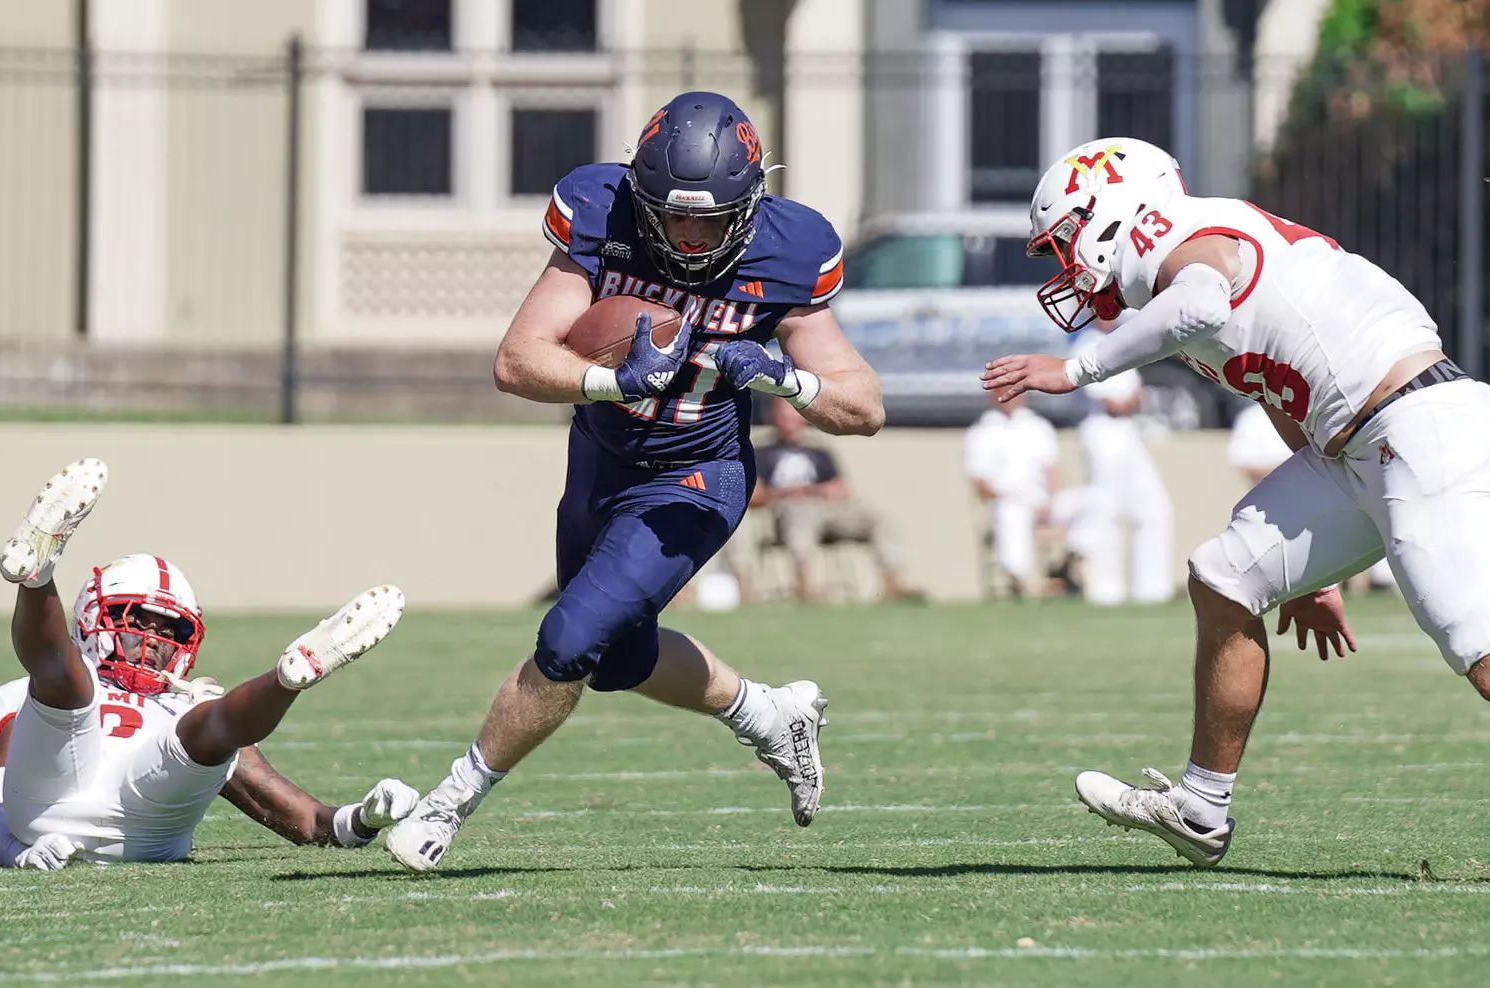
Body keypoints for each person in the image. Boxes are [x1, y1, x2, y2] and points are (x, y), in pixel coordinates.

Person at [983, 136, 1490, 867]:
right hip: (1360, 447)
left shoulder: (1184, 247)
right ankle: (1199, 807)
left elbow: (1202, 299)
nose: (1064, 267)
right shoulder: (1171, 286)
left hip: (1414, 428)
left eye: (1064, 243)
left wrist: (1076, 369)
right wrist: (1315, 572)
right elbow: (1287, 408)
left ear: (1111, 214)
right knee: (1224, 577)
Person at [380, 91, 885, 872]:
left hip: (698, 472)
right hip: (601, 456)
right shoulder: (598, 211)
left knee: (569, 640)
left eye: (709, 218)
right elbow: (517, 360)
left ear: (749, 202)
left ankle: (446, 804)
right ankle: (769, 716)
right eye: (672, 215)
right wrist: (608, 382)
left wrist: (789, 381)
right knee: (615, 659)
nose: (687, 235)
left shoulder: (791, 250)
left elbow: (864, 406)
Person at [0, 458, 417, 868]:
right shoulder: (20, 695)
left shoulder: (186, 703)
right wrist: (18, 852)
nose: (154, 641)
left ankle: (289, 676)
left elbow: (306, 820)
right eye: (137, 621)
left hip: (147, 831)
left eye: (171, 632)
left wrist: (365, 819)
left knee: (202, 724)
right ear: (94, 618)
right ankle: (37, 571)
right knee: (69, 688)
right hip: (45, 813)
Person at [733, 396, 920, 602]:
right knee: (800, 512)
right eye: (785, 417)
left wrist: (810, 491)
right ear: (773, 418)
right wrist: (791, 494)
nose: (791, 422)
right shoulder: (761, 452)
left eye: (795, 416)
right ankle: (804, 586)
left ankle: (893, 584)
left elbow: (840, 489)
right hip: (783, 512)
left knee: (879, 521)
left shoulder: (819, 451)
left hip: (827, 510)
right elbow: (755, 495)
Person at [1228, 403, 1395, 592]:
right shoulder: (1252, 418)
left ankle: (1363, 583)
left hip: (1322, 489)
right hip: (1275, 504)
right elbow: (1245, 463)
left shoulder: (1311, 405)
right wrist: (1293, 474)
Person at [964, 388, 1111, 599]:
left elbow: (1051, 468)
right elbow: (981, 482)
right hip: (1009, 498)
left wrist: (1049, 502)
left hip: (1043, 500)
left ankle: (1068, 560)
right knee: (1010, 511)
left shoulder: (1037, 427)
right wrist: (1010, 495)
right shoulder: (981, 432)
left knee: (1098, 499)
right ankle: (1022, 579)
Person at [1074, 339, 1175, 605]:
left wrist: (1132, 401)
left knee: (1154, 508)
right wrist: (1129, 401)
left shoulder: (1125, 337)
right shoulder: (1084, 344)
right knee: (1107, 510)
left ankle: (1152, 589)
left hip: (1128, 430)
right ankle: (1105, 590)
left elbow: (1137, 395)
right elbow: (1113, 402)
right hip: (1102, 430)